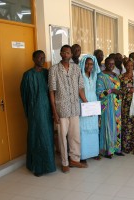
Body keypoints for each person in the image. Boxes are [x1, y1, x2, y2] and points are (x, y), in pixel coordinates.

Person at [49, 45, 88, 173]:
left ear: (71, 55)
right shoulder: (54, 69)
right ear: (60, 54)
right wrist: (54, 112)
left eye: (68, 52)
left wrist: (86, 102)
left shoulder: (76, 69)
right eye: (63, 52)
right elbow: (52, 92)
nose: (66, 54)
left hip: (74, 108)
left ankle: (74, 159)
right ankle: (65, 162)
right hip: (61, 109)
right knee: (62, 136)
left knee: (75, 135)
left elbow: (80, 88)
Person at [20, 50, 56, 177]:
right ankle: (36, 166)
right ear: (33, 58)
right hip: (35, 113)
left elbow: (53, 92)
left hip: (47, 112)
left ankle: (48, 165)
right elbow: (24, 96)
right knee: (36, 138)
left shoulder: (48, 73)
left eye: (43, 57)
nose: (42, 59)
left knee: (47, 137)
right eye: (39, 57)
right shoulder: (28, 75)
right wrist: (29, 113)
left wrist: (53, 110)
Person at [96, 57, 124, 158]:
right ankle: (108, 150)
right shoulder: (100, 76)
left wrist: (119, 93)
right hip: (106, 106)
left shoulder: (115, 75)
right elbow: (99, 94)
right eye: (109, 63)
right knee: (108, 126)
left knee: (117, 127)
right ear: (105, 64)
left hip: (116, 105)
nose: (111, 65)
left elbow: (118, 89)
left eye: (113, 64)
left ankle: (117, 149)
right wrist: (111, 91)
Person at [78, 55, 101, 162]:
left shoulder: (94, 75)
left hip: (93, 103)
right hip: (83, 102)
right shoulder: (80, 75)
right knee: (83, 129)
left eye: (91, 64)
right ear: (83, 64)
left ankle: (94, 152)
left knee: (93, 128)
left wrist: (94, 106)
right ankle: (83, 155)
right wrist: (86, 102)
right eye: (87, 63)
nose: (89, 66)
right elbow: (80, 89)